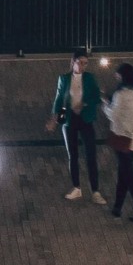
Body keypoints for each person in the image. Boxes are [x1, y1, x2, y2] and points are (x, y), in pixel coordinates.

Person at [50, 51, 105, 200]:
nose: (82, 66)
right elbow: (59, 99)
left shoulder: (89, 78)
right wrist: (56, 119)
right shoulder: (64, 79)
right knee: (72, 155)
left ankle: (95, 190)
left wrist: (84, 104)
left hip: (85, 118)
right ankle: (76, 187)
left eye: (85, 63)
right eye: (80, 62)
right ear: (73, 62)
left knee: (91, 154)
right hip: (70, 119)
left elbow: (96, 96)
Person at [104, 61, 133, 219]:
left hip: (122, 139)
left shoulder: (121, 95)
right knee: (124, 172)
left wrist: (104, 102)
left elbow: (112, 115)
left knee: (128, 175)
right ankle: (117, 207)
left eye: (118, 76)